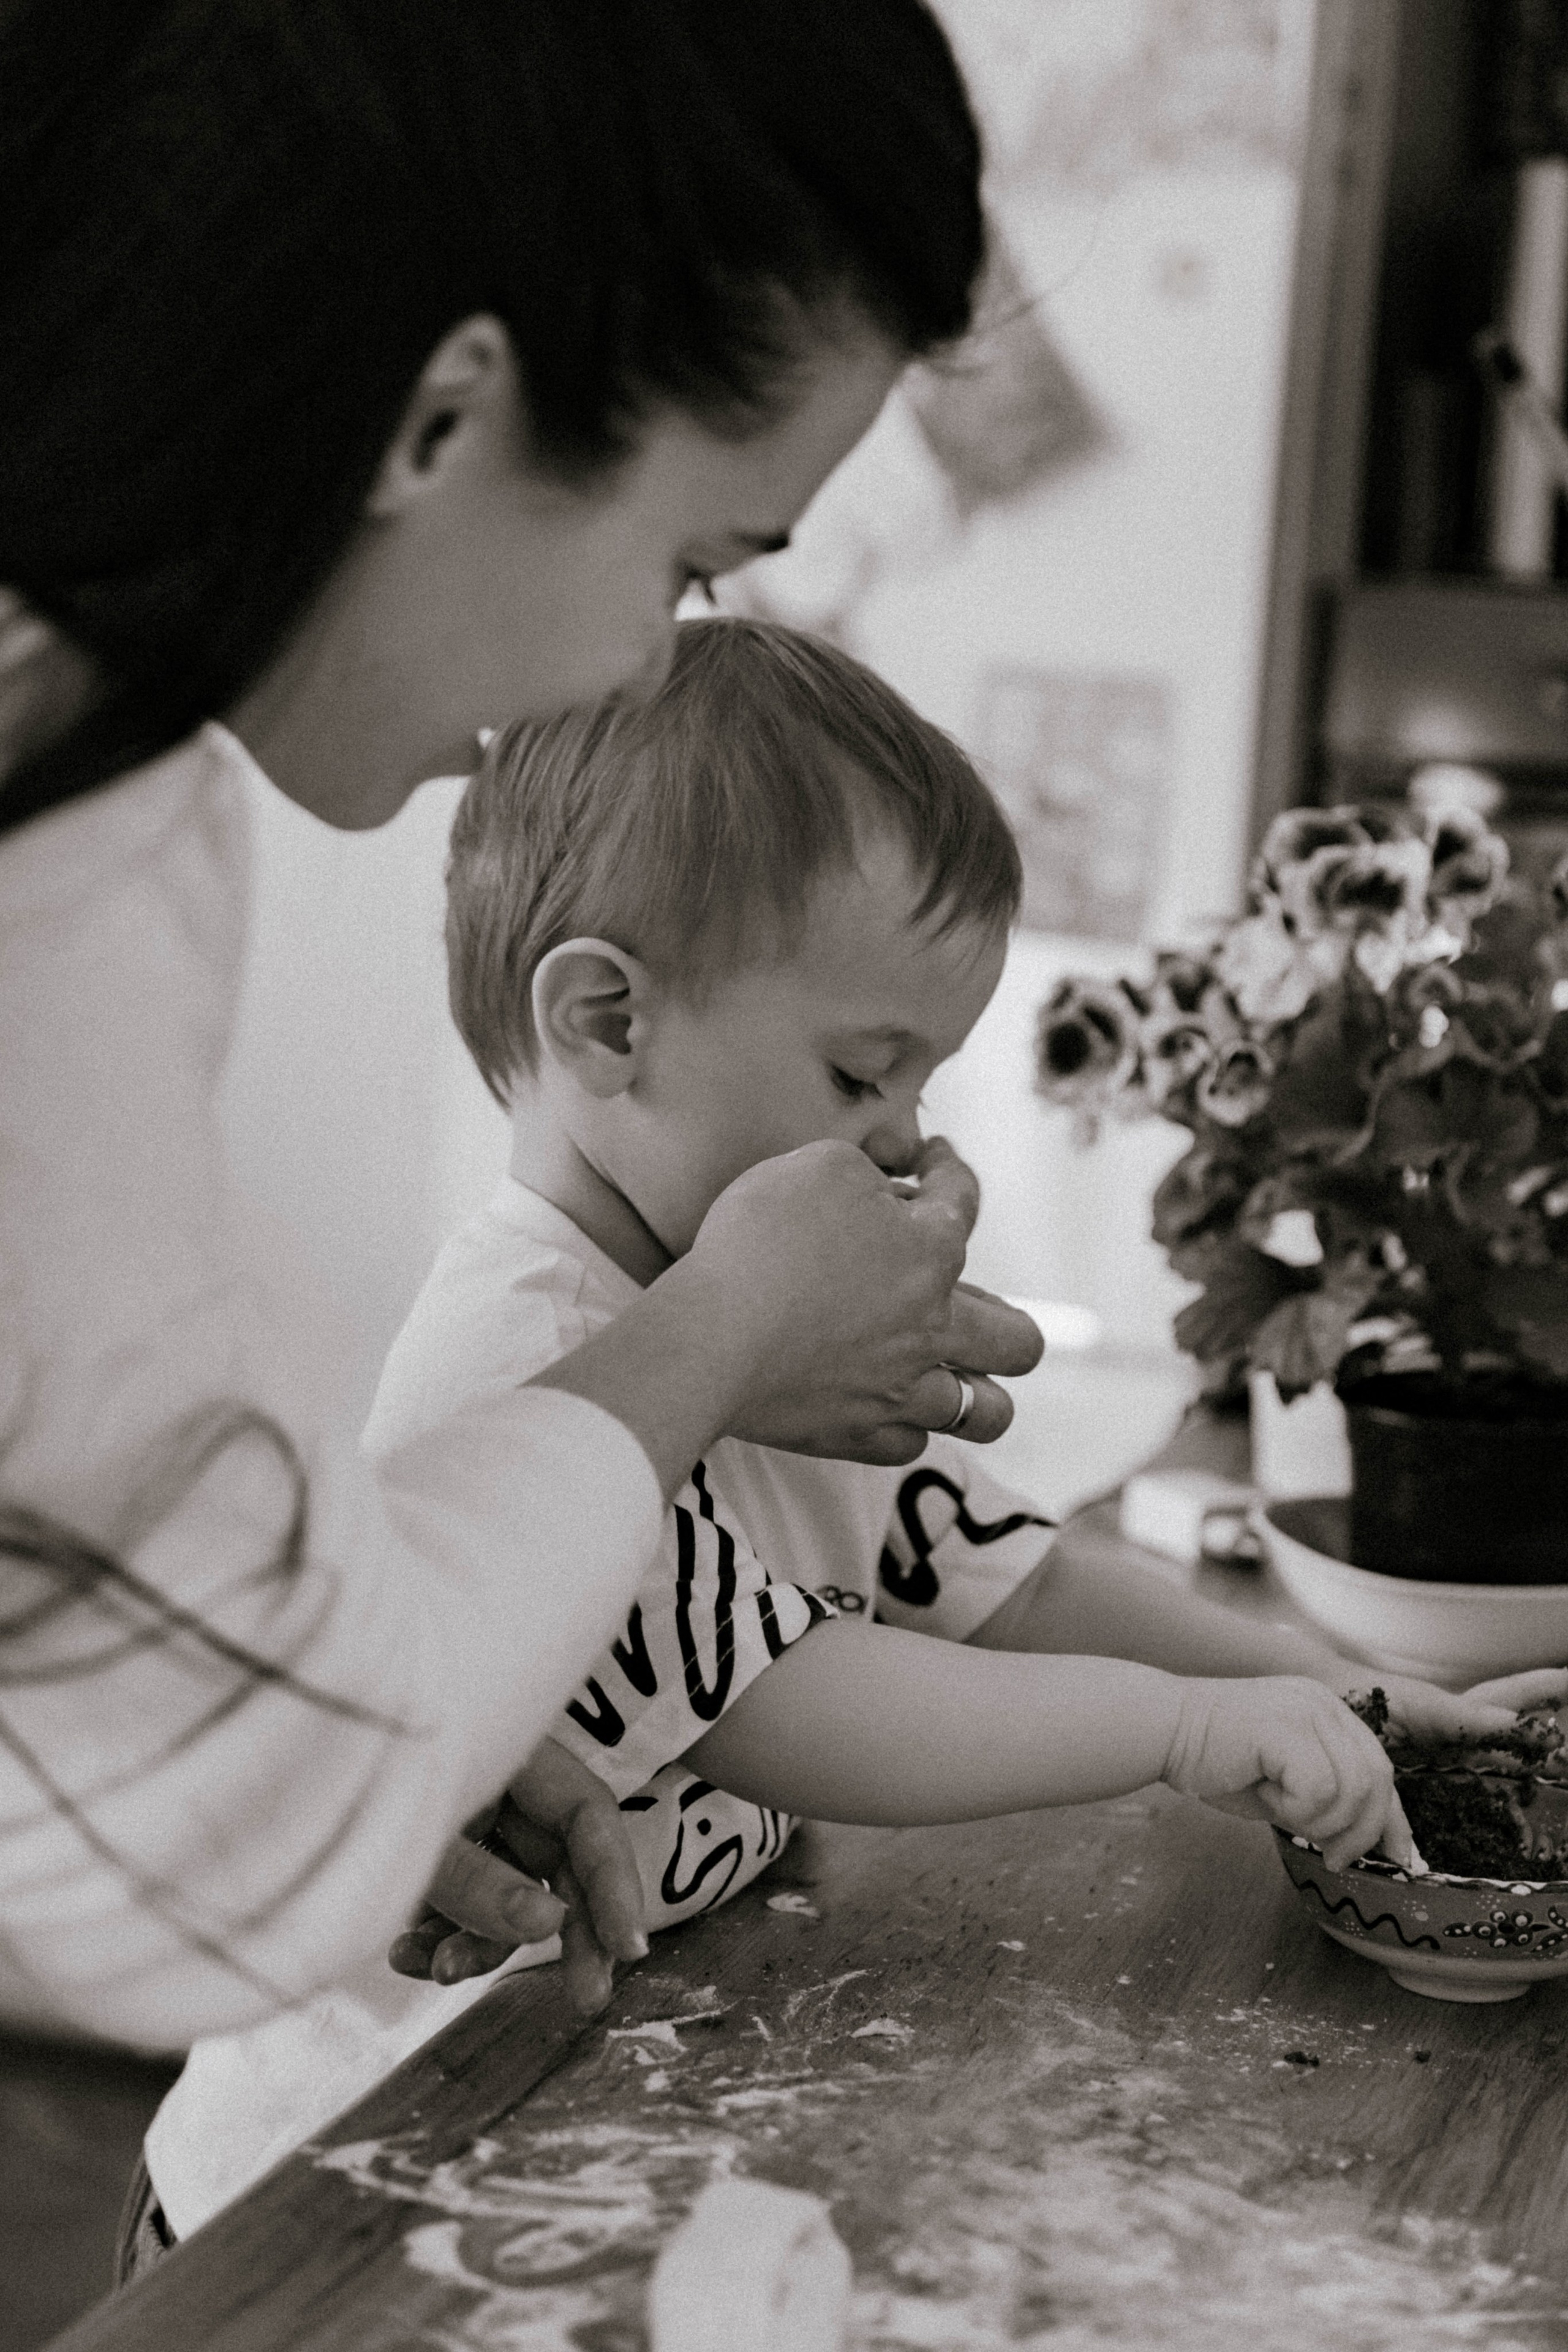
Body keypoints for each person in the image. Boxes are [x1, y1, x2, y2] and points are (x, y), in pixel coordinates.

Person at [135, 617, 1568, 2256]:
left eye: (921, 1083)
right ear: (610, 1026)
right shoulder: (533, 1359)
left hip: (576, 2101)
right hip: (332, 2183)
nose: (905, 1142)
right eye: (860, 1075)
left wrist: (1344, 1695)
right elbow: (792, 1708)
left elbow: (1008, 1581)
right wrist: (1182, 1731)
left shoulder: (790, 1322)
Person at [0, 1, 1044, 2054]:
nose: (631, 666)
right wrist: (726, 1330)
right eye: (687, 564)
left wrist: (392, 1685)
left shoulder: (121, 786)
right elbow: (216, 1861)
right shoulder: (71, 849)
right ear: (444, 418)